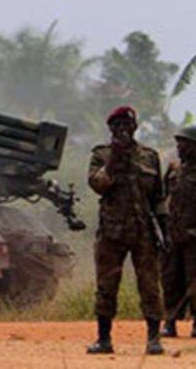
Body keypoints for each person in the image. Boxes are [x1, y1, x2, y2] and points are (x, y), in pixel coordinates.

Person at [86, 105, 166, 355]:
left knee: (150, 286)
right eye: (117, 126)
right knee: (106, 285)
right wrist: (114, 160)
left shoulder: (149, 157)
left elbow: (159, 198)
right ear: (110, 129)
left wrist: (165, 232)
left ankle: (154, 339)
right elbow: (97, 185)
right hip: (112, 232)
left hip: (143, 232)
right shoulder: (101, 155)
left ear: (135, 127)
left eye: (127, 125)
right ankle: (104, 339)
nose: (122, 130)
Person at [162, 125, 196, 337]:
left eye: (184, 143)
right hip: (173, 235)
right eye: (178, 143)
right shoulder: (174, 170)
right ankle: (170, 321)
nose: (180, 147)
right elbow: (163, 198)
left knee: (194, 280)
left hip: (194, 236)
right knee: (170, 279)